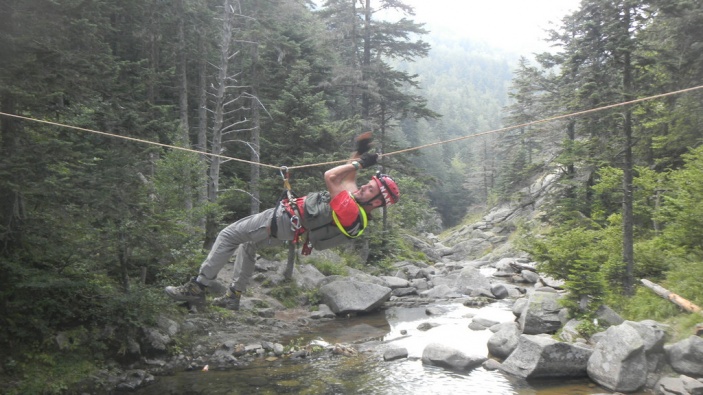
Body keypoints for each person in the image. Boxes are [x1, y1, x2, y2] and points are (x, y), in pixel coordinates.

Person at [164, 133, 400, 310]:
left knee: (228, 235)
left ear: (377, 202)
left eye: (370, 189)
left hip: (282, 220)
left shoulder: (350, 209)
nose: (364, 188)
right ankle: (233, 296)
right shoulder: (357, 208)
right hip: (289, 229)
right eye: (367, 185)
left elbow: (332, 176)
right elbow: (350, 177)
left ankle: (198, 286)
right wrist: (360, 153)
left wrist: (360, 163)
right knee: (249, 245)